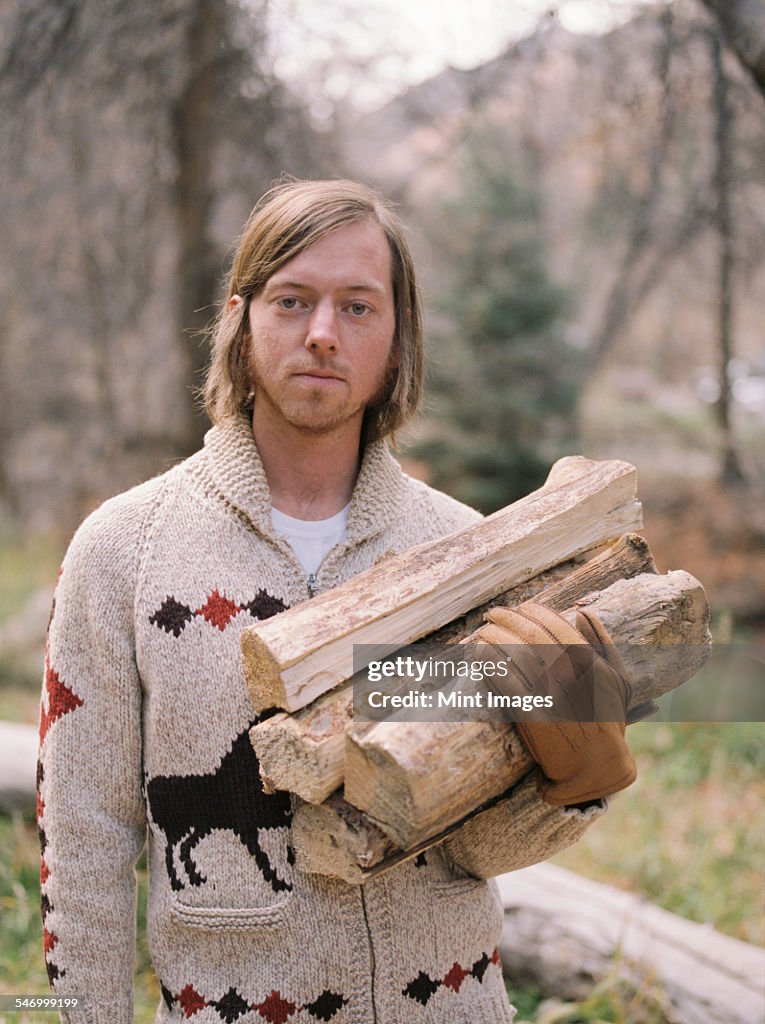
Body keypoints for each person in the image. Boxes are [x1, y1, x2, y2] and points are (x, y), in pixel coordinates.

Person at [38, 178, 629, 1024]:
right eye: (292, 301)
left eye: (358, 307)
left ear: (396, 340)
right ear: (241, 323)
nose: (321, 334)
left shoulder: (469, 553)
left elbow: (476, 849)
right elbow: (85, 838)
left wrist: (573, 787)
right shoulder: (123, 551)